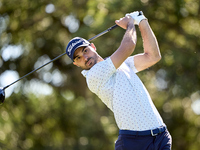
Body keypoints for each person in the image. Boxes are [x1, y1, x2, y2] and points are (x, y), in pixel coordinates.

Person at [66, 11, 172, 150]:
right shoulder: (93, 76)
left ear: (93, 47)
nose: (85, 58)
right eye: (78, 58)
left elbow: (153, 56)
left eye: (85, 51)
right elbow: (128, 46)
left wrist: (141, 20)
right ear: (76, 64)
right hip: (134, 142)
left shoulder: (122, 64)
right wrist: (129, 23)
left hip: (161, 136)